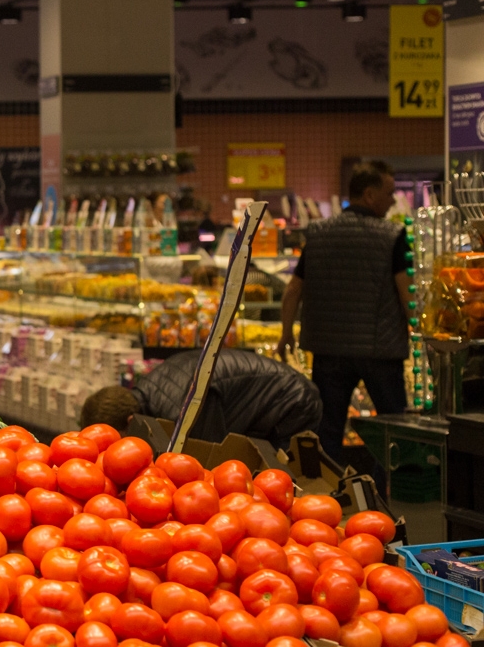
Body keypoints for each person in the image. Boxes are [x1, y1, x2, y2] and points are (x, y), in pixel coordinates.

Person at [277, 160, 410, 459]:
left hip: (329, 352)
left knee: (326, 433)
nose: (392, 201)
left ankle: (327, 497)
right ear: (369, 194)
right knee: (396, 431)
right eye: (389, 193)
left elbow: (294, 289)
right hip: (381, 352)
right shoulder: (392, 236)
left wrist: (286, 333)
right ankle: (385, 493)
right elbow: (406, 293)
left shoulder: (319, 233)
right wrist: (419, 330)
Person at [79, 349, 322, 450]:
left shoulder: (181, 411)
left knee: (282, 481)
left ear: (130, 421)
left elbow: (207, 459)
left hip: (293, 402)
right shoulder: (150, 389)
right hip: (266, 401)